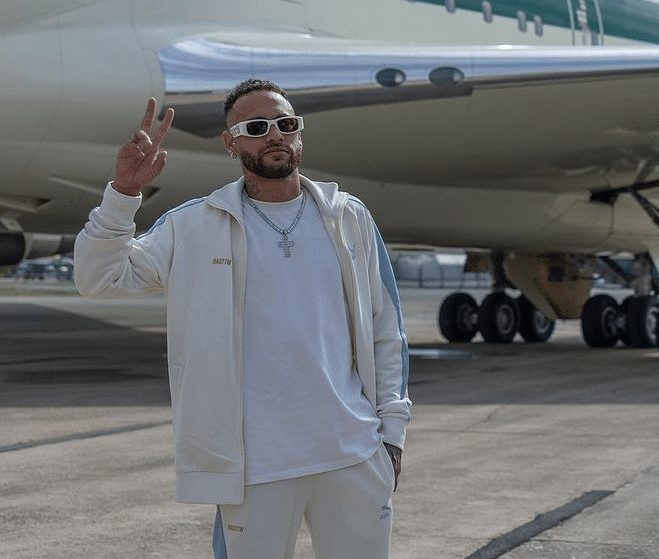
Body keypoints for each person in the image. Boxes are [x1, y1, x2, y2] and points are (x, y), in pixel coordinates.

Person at [74, 79, 411, 559]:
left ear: (299, 134)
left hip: (353, 456)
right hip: (254, 470)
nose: (273, 135)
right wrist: (124, 193)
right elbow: (98, 278)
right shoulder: (194, 225)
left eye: (285, 124)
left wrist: (391, 438)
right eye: (256, 127)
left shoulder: (348, 217)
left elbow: (386, 333)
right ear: (231, 144)